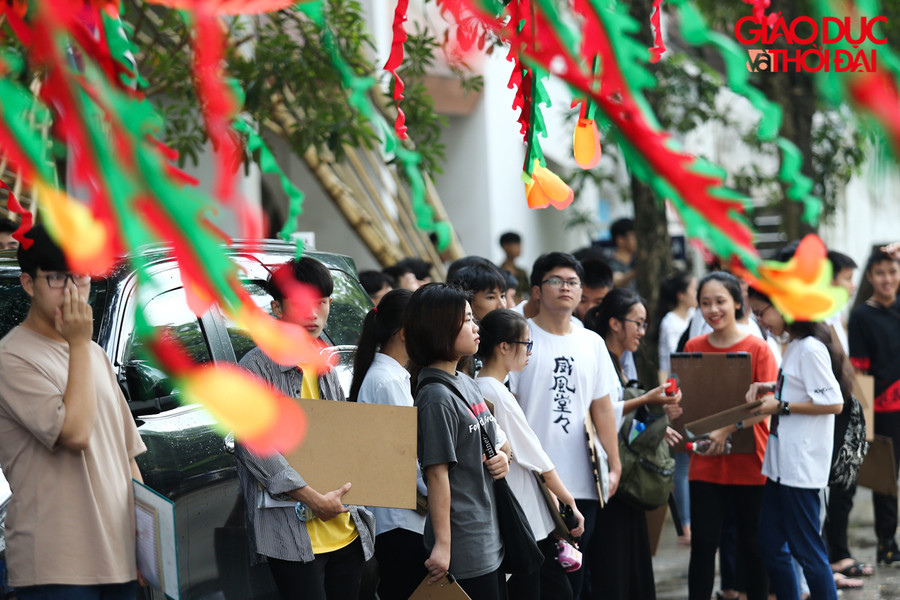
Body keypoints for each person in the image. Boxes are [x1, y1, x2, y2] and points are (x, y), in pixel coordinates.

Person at [0, 225, 146, 599]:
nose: (71, 291)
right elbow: (75, 434)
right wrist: (79, 344)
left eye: (79, 277)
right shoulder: (11, 358)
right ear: (28, 284)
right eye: (56, 278)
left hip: (118, 557)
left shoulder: (95, 355)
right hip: (55, 565)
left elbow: (127, 456)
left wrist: (146, 539)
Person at [235, 257, 375, 600]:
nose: (313, 314)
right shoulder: (254, 369)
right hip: (293, 539)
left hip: (346, 529)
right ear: (277, 307)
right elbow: (255, 446)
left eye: (322, 303)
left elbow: (341, 438)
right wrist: (313, 499)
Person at [507, 252, 621, 600]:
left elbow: (602, 407)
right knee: (533, 578)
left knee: (574, 575)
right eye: (556, 281)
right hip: (530, 480)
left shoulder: (592, 342)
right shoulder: (519, 339)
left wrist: (614, 464)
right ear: (537, 291)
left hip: (583, 480)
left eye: (572, 282)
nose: (566, 288)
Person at [407, 283, 511, 600]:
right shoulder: (435, 397)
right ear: (440, 329)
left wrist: (503, 458)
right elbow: (436, 474)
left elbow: (496, 443)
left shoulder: (464, 381)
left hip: (489, 528)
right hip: (465, 542)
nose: (475, 326)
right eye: (466, 320)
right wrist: (442, 546)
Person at [475, 308, 586, 600]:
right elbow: (538, 459)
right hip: (527, 520)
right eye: (527, 345)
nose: (530, 353)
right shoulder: (495, 392)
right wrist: (569, 501)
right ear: (503, 347)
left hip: (524, 516)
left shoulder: (482, 386)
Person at [683, 272, 778, 600]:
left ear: (738, 303)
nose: (713, 309)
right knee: (704, 545)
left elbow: (767, 406)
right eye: (705, 303)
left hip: (751, 460)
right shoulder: (693, 347)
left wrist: (726, 429)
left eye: (720, 301)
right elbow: (688, 402)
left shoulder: (758, 348)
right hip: (706, 460)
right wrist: (674, 412)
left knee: (753, 545)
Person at [746, 287, 846, 599]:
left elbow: (833, 402)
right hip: (781, 464)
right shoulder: (795, 345)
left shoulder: (810, 348)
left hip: (800, 466)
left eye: (763, 312)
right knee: (771, 545)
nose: (761, 321)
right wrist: (770, 387)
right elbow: (800, 388)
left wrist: (781, 406)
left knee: (807, 550)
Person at [588, 288, 683, 599]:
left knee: (631, 562)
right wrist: (647, 399)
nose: (642, 331)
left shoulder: (622, 361)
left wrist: (656, 424)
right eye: (638, 323)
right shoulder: (596, 355)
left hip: (624, 477)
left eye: (645, 325)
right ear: (615, 323)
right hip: (608, 476)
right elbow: (596, 413)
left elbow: (624, 420)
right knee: (613, 566)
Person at [347, 289, 427, 599]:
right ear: (407, 333)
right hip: (399, 519)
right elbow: (404, 455)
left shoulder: (389, 375)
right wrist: (436, 489)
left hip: (399, 517)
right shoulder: (387, 380)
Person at [822, 251, 873, 582]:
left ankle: (836, 552)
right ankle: (834, 555)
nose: (852, 286)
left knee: (846, 483)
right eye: (846, 279)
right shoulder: (817, 317)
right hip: (830, 412)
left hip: (845, 408)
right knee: (838, 486)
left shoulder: (836, 312)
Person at [848, 247, 900, 565]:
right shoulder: (862, 316)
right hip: (883, 410)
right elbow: (860, 371)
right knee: (886, 480)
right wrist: (864, 418)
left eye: (893, 272)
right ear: (870, 277)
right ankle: (887, 542)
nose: (887, 279)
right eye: (880, 273)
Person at [654, 271, 697, 545]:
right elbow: (671, 365)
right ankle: (686, 525)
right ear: (681, 294)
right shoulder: (671, 322)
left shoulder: (694, 318)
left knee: (691, 462)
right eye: (694, 288)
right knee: (681, 464)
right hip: (678, 395)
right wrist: (671, 400)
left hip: (692, 392)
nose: (697, 293)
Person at [606, 218, 637, 290]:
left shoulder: (636, 259)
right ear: (620, 240)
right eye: (634, 236)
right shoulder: (610, 263)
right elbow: (617, 281)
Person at [499, 231, 530, 300]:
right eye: (515, 244)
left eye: (519, 245)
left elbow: (528, 293)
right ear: (505, 246)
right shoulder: (496, 272)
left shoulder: (522, 272)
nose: (519, 248)